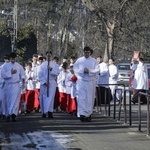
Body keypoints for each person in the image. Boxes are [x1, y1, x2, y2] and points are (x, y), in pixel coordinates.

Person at [73, 46, 99, 122]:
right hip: (82, 81)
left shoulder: (94, 61)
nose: (86, 54)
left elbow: (97, 70)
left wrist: (89, 71)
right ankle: (82, 114)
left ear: (90, 52)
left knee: (89, 98)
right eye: (85, 52)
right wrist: (82, 71)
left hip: (90, 82)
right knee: (82, 98)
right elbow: (75, 69)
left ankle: (88, 114)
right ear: (83, 52)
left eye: (88, 52)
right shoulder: (79, 60)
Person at [1, 52, 25, 122]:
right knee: (8, 100)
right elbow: (3, 75)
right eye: (12, 59)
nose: (13, 60)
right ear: (10, 59)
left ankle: (13, 114)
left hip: (15, 84)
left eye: (14, 59)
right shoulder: (5, 66)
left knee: (15, 100)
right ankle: (8, 114)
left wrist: (23, 78)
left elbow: (22, 74)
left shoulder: (19, 66)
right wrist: (10, 73)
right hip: (8, 85)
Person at [38, 51, 60, 118]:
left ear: (51, 56)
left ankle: (50, 111)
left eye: (50, 56)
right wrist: (44, 82)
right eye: (47, 56)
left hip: (51, 82)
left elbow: (57, 73)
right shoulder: (43, 65)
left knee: (50, 97)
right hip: (44, 83)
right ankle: (44, 112)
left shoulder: (55, 65)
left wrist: (51, 69)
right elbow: (39, 74)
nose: (48, 57)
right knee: (44, 97)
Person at [0, 54, 10, 119]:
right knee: (2, 100)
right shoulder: (2, 67)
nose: (7, 60)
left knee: (8, 100)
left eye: (8, 59)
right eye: (6, 59)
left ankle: (8, 113)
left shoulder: (11, 67)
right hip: (2, 85)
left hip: (9, 85)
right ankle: (2, 112)